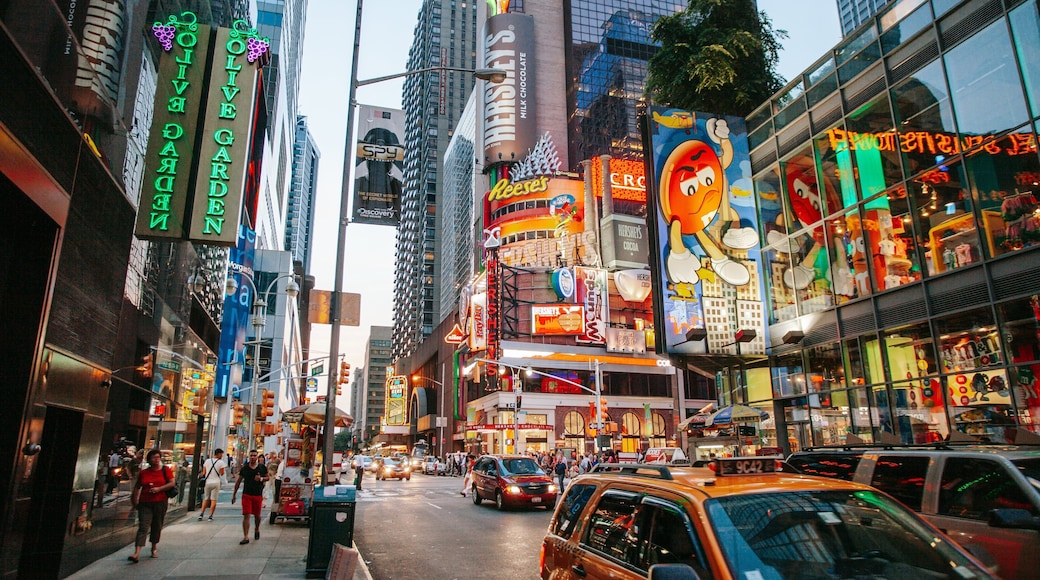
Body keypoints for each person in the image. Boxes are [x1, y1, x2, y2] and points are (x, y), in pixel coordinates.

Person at [128, 449, 174, 563]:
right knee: (143, 526)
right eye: (154, 457)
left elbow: (172, 483)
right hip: (145, 503)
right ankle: (137, 552)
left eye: (158, 457)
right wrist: (134, 501)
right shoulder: (144, 473)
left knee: (157, 525)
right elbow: (137, 487)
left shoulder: (165, 470)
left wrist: (159, 489)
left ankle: (154, 547)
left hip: (160, 501)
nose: (156, 460)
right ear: (149, 460)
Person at [231, 449, 269, 544]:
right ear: (249, 456)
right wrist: (234, 494)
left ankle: (257, 529)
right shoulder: (245, 468)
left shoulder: (262, 467)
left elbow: (268, 477)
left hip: (257, 494)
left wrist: (261, 479)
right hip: (246, 494)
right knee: (246, 515)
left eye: (254, 455)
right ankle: (246, 536)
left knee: (257, 515)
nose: (252, 457)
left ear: (257, 457)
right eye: (251, 455)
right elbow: (238, 481)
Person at [198, 448, 227, 520]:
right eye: (221, 454)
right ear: (219, 454)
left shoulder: (207, 461)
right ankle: (210, 516)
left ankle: (201, 514)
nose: (222, 456)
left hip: (208, 482)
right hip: (216, 482)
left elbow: (204, 472)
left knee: (206, 498)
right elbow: (222, 473)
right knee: (214, 499)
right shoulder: (221, 463)